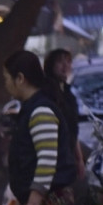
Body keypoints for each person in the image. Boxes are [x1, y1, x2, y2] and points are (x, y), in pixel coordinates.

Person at [3, 50, 77, 205]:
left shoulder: (41, 110)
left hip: (50, 201)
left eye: (7, 78)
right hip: (43, 199)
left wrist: (33, 204)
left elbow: (47, 160)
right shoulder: (32, 109)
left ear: (20, 78)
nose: (6, 84)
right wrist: (21, 202)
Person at [43, 48, 85, 181]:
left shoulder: (68, 93)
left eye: (68, 61)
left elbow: (73, 129)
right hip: (55, 159)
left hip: (68, 156)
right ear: (51, 65)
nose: (65, 66)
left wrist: (79, 159)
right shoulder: (47, 93)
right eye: (60, 62)